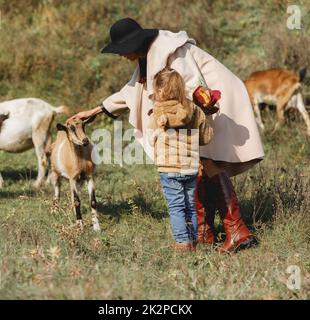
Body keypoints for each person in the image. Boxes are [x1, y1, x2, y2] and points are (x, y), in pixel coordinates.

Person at [72, 17, 265, 253]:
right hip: (196, 107)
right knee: (201, 164)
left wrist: (189, 115)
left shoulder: (171, 50)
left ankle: (236, 231)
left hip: (216, 100)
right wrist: (95, 111)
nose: (122, 56)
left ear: (133, 44)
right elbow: (131, 92)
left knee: (209, 162)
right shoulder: (148, 57)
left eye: (123, 50)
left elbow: (194, 85)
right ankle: (206, 232)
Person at [147, 67, 213, 251]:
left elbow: (151, 137)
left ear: (160, 90)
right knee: (190, 205)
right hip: (190, 165)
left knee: (176, 206)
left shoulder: (158, 112)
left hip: (169, 167)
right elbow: (206, 138)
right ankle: (192, 241)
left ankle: (182, 243)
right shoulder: (194, 109)